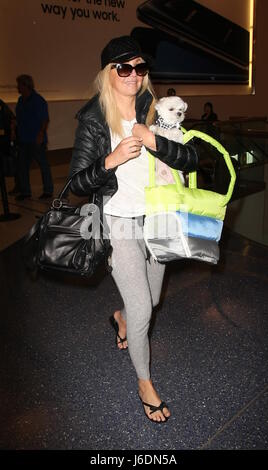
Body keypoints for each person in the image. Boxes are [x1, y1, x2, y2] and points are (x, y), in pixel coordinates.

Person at [69, 36, 198, 423]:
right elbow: (76, 183)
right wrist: (109, 160)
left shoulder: (152, 110)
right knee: (143, 306)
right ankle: (145, 383)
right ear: (108, 73)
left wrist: (151, 138)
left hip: (156, 217)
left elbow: (190, 157)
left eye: (140, 68)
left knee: (152, 301)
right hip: (118, 222)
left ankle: (121, 318)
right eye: (123, 68)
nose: (133, 75)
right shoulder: (93, 119)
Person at [15, 75, 54, 200]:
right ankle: (25, 191)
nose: (18, 87)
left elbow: (44, 119)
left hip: (35, 139)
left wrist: (41, 134)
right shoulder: (20, 100)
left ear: (26, 85)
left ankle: (48, 190)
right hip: (24, 139)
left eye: (19, 85)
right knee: (22, 166)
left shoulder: (38, 100)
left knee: (43, 165)